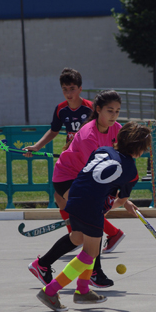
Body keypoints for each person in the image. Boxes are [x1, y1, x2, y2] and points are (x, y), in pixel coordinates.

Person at [35, 122, 152, 312]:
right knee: (90, 254)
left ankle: (82, 291)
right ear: (139, 149)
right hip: (90, 207)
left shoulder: (102, 150)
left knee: (81, 240)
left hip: (73, 197)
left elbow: (93, 177)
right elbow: (120, 200)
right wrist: (109, 207)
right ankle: (50, 291)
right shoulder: (132, 172)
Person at [28, 90, 126, 289]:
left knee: (79, 236)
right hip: (68, 177)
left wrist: (123, 194)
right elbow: (97, 172)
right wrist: (114, 195)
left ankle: (42, 264)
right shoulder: (89, 135)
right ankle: (94, 273)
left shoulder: (117, 129)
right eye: (109, 111)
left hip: (87, 178)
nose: (114, 115)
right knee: (93, 222)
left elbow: (120, 161)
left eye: (117, 111)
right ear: (98, 110)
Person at [24, 67, 93, 228]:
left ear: (80, 89)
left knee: (81, 199)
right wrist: (36, 146)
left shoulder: (91, 108)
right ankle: (73, 234)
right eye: (65, 89)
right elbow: (54, 131)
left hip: (87, 159)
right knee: (60, 196)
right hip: (71, 157)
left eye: (72, 89)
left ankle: (111, 233)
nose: (69, 93)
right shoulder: (61, 109)